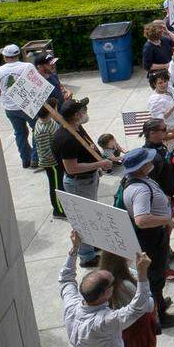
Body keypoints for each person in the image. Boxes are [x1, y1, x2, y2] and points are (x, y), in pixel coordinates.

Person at [60, 230, 154, 347]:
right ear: (106, 293)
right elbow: (137, 308)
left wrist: (75, 248)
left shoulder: (71, 305)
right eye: (111, 282)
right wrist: (142, 275)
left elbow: (66, 278)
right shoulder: (104, 321)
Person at [119, 148, 174, 329]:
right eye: (148, 162)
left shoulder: (134, 180)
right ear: (141, 167)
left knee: (158, 272)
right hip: (151, 237)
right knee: (155, 278)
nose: (151, 163)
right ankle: (159, 317)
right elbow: (142, 220)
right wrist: (166, 219)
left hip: (153, 236)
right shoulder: (141, 190)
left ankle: (160, 302)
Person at [54, 97, 113, 266]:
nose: (85, 113)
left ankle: (91, 245)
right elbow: (71, 168)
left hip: (87, 180)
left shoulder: (76, 129)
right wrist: (100, 164)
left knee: (90, 216)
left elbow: (89, 148)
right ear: (76, 115)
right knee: (84, 220)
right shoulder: (66, 139)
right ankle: (86, 256)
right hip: (78, 183)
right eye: (83, 110)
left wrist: (97, 165)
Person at [96, 252, 159, 347]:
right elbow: (148, 305)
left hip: (122, 335)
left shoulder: (101, 281)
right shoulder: (126, 286)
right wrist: (143, 276)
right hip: (138, 336)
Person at [0, 43, 39, 168]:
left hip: (10, 108)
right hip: (28, 105)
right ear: (18, 55)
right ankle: (35, 158)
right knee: (36, 131)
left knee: (19, 133)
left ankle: (25, 159)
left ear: (5, 57)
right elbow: (36, 83)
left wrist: (7, 96)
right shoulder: (27, 66)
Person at [33, 98, 65, 218]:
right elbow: (45, 150)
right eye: (55, 108)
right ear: (49, 111)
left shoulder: (49, 122)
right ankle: (58, 210)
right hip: (52, 163)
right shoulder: (43, 130)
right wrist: (57, 159)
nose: (57, 110)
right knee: (56, 186)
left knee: (60, 184)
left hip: (56, 160)